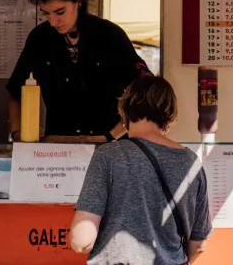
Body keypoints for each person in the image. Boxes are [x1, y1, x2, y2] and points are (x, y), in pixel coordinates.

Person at [70, 75, 211, 265]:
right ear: (169, 115)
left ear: (125, 111)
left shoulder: (109, 156)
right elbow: (199, 244)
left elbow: (82, 241)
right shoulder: (191, 162)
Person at [6, 0, 149, 141]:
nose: (53, 22)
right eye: (46, 14)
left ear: (78, 1)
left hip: (108, 144)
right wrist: (17, 134)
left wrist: (110, 135)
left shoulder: (109, 35)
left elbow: (145, 93)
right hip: (57, 147)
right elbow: (15, 93)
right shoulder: (40, 38)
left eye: (60, 12)